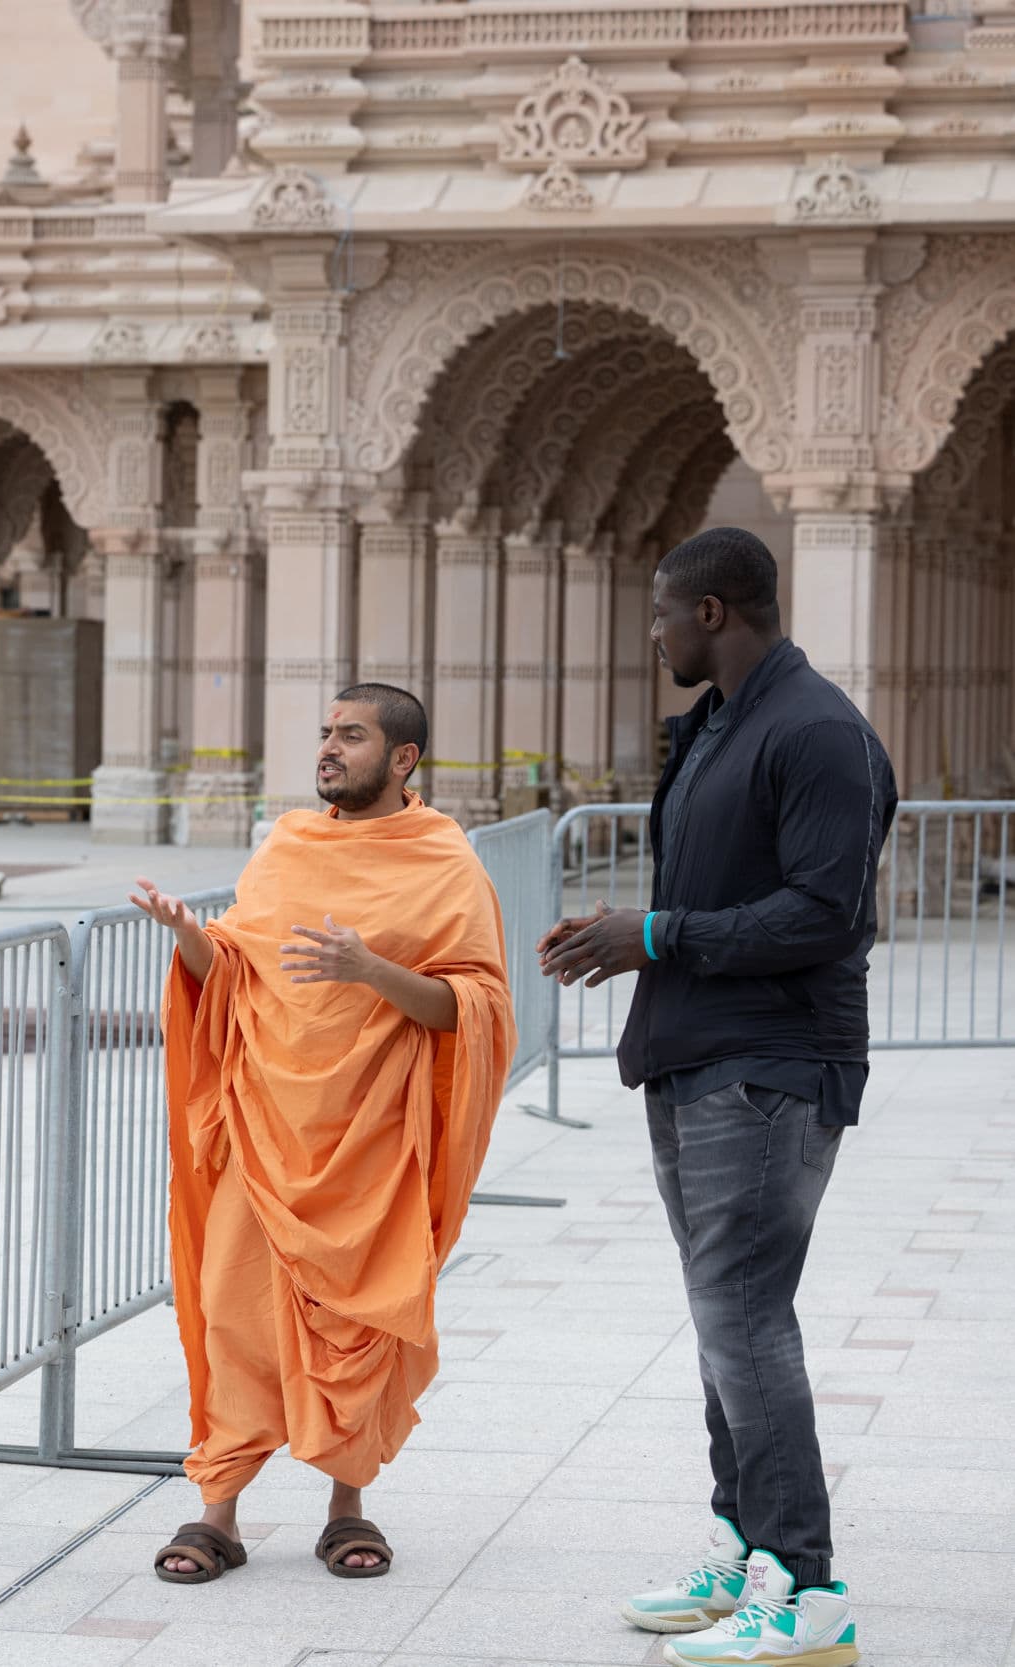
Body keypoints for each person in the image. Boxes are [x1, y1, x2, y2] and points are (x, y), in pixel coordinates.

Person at [538, 526, 891, 1667]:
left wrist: (648, 934)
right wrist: (634, 942)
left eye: (658, 614)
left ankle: (808, 1583)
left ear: (711, 613)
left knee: (745, 1318)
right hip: (694, 1051)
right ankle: (746, 1545)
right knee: (722, 1319)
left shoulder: (819, 731)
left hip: (773, 1063)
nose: (649, 633)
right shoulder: (718, 725)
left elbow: (823, 911)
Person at [129, 683, 514, 1586]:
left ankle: (346, 1508)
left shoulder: (443, 859)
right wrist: (193, 941)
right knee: (233, 1315)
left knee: (360, 1320)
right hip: (264, 1127)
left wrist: (370, 968)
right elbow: (234, 972)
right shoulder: (287, 844)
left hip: (371, 1136)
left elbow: (475, 1006)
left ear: (404, 758)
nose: (330, 750)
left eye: (352, 735)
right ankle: (216, 1512)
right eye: (326, 734)